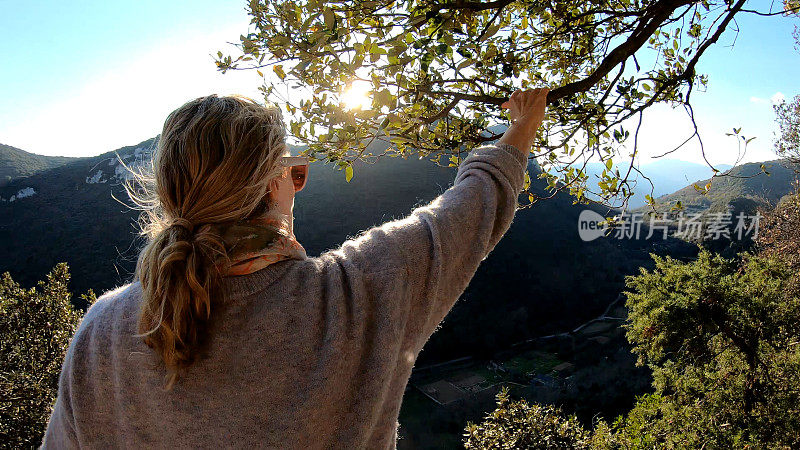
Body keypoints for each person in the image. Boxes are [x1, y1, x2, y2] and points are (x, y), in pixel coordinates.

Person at [42, 88, 549, 448]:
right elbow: (469, 211)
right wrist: (521, 130)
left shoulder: (102, 333)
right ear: (271, 186)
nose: (297, 187)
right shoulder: (356, 297)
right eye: (295, 175)